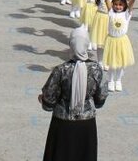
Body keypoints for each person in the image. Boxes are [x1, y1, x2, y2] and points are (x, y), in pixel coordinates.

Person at [38, 27, 108, 161]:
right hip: (86, 123)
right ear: (87, 45)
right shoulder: (96, 69)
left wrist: (42, 100)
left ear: (71, 45)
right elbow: (101, 99)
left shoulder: (61, 70)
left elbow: (49, 101)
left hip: (62, 122)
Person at [102, 0, 136, 92]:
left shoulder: (126, 14)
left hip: (122, 41)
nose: (118, 6)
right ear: (112, 5)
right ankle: (111, 81)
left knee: (121, 63)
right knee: (112, 63)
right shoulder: (111, 12)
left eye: (121, 4)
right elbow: (107, 1)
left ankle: (118, 80)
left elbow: (132, 2)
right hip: (112, 41)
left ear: (125, 5)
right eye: (116, 4)